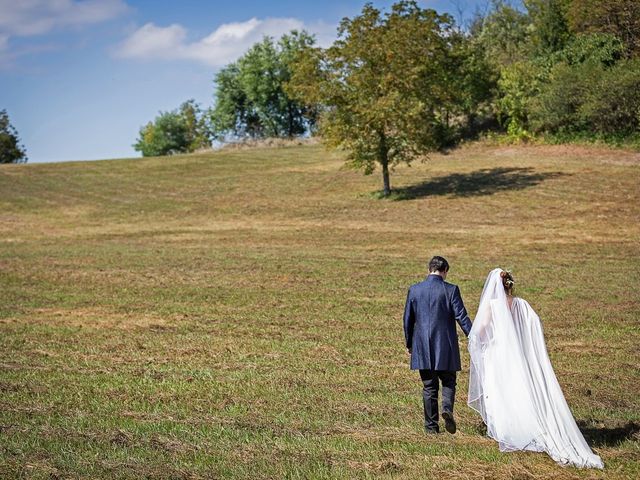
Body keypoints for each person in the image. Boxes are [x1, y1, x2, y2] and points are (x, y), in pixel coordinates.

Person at [467, 268, 604, 468]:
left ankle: (509, 429)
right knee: (520, 389)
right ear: (510, 285)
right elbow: (534, 325)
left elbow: (479, 331)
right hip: (520, 355)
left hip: (498, 355)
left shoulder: (492, 306)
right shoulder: (522, 305)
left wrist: (483, 343)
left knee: (501, 390)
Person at [403, 256, 473, 434]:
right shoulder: (451, 290)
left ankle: (431, 428)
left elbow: (407, 320)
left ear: (429, 270)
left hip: (422, 347)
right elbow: (461, 316)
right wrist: (472, 336)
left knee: (429, 387)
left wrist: (410, 343)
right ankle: (447, 408)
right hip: (446, 346)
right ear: (445, 271)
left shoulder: (415, 290)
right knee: (449, 381)